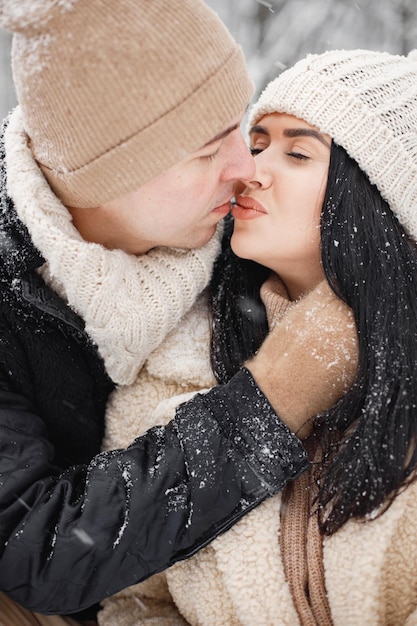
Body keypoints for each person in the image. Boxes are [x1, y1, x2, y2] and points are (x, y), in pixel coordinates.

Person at [0, 1, 358, 625]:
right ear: (104, 178)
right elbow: (35, 549)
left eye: (238, 128)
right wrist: (270, 404)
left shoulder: (236, 234)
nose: (246, 170)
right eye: (207, 149)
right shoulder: (10, 298)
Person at [97, 48, 417, 626]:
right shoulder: (178, 367)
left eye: (297, 153)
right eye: (259, 143)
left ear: (381, 198)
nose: (251, 169)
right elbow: (136, 602)